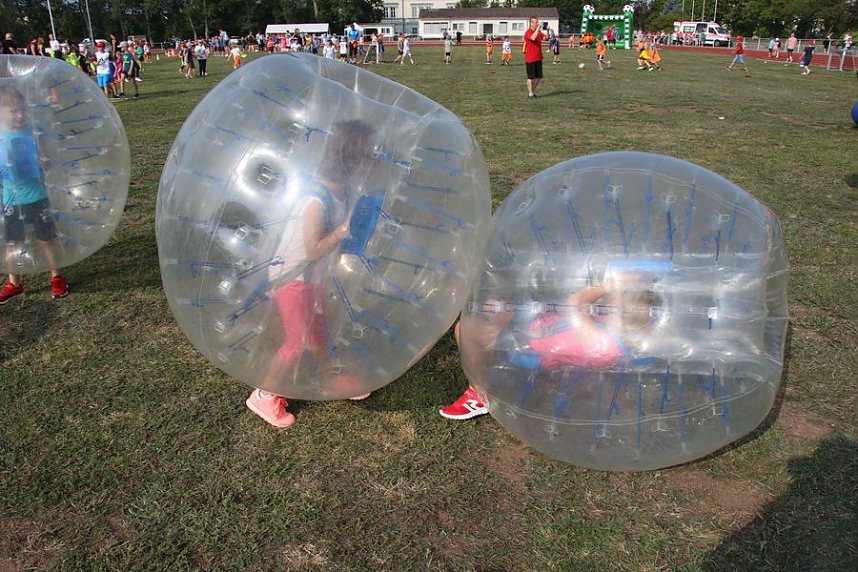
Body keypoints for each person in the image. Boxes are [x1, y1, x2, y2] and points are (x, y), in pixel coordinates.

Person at [245, 120, 376, 428]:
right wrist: (342, 232)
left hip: (308, 277)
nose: (368, 165)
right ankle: (263, 395)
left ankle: (330, 378)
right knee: (297, 340)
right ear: (349, 162)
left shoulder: (340, 189)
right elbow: (313, 249)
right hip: (292, 278)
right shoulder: (315, 199)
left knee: (318, 328)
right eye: (364, 158)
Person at [440, 271, 663, 420]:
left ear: (624, 316)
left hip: (529, 348)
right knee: (490, 306)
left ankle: (480, 391)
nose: (611, 299)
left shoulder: (604, 344)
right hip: (538, 328)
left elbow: (575, 303)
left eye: (618, 299)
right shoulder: (617, 334)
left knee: (465, 328)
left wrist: (609, 284)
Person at [0, 87, 69, 305]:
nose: (20, 115)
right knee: (13, 243)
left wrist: (42, 162)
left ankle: (56, 277)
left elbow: (47, 161)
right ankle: (15, 284)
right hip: (12, 200)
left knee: (46, 240)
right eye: (13, 111)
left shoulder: (33, 132)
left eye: (22, 110)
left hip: (37, 196)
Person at [523, 17, 547, 99]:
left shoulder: (539, 32)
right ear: (531, 23)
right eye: (536, 22)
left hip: (538, 57)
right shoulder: (528, 32)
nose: (537, 23)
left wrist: (548, 31)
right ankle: (530, 93)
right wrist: (538, 29)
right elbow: (533, 38)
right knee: (531, 77)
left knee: (538, 77)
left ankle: (532, 92)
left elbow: (546, 38)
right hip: (530, 58)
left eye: (538, 22)